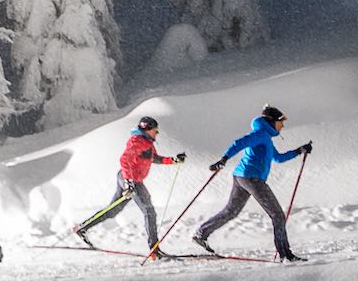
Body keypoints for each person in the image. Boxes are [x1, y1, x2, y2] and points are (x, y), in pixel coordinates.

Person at [193, 104, 312, 262]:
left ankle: (201, 234)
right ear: (271, 121)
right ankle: (286, 255)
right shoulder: (261, 134)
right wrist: (224, 159)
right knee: (277, 215)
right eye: (280, 122)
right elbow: (239, 143)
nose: (282, 125)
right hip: (252, 179)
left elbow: (278, 158)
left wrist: (299, 150)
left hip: (241, 177)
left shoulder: (266, 138)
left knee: (231, 211)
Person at [74, 116, 186, 254]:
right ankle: (154, 249)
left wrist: (174, 160)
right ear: (148, 129)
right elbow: (124, 160)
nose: (157, 133)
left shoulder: (147, 143)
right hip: (131, 180)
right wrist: (129, 183)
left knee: (113, 210)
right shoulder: (137, 141)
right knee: (149, 212)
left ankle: (82, 228)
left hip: (128, 179)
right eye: (155, 130)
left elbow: (154, 158)